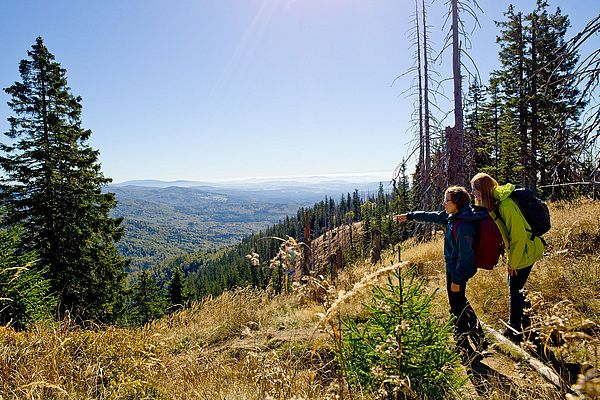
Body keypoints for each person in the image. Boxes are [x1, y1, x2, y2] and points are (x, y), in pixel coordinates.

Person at [395, 186, 488, 364]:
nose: (443, 203)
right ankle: (479, 337)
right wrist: (410, 216)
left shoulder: (463, 225)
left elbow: (466, 257)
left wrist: (456, 279)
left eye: (447, 200)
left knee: (456, 308)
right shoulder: (454, 216)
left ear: (457, 203)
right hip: (454, 270)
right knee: (460, 301)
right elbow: (433, 216)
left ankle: (465, 350)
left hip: (456, 272)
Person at [470, 172, 544, 342]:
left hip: (526, 251)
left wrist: (513, 263)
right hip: (522, 251)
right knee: (517, 287)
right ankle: (527, 324)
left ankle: (514, 329)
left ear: (483, 190)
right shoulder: (496, 203)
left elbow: (518, 237)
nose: (472, 193)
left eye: (474, 189)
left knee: (514, 288)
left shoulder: (506, 205)